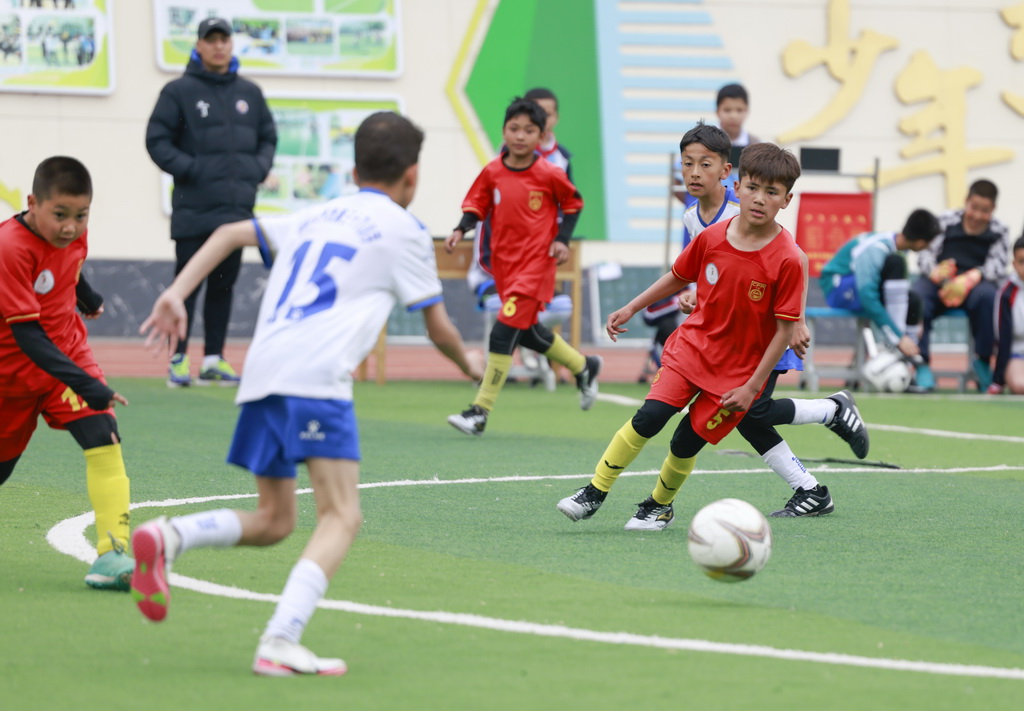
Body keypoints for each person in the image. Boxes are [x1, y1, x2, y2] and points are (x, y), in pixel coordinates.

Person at [131, 112, 483, 676]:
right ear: (412, 176)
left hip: (262, 374)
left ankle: (168, 536)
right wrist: (469, 362)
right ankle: (280, 639)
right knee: (342, 516)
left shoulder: (316, 214)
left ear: (353, 168)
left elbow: (227, 233)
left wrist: (176, 292)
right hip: (316, 381)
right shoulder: (404, 229)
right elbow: (438, 325)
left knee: (275, 521)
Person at [557, 143, 833, 530]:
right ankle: (594, 492)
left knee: (685, 441)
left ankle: (658, 505)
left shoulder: (788, 258)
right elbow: (678, 275)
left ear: (786, 200)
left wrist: (752, 387)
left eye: (772, 192)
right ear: (738, 186)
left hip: (738, 373)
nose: (760, 199)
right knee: (650, 416)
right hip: (692, 350)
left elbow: (784, 332)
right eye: (753, 188)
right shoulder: (712, 236)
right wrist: (632, 307)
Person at [671, 124, 865, 518]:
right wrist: (696, 295)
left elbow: (794, 261)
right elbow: (707, 270)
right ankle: (811, 489)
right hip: (729, 334)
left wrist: (798, 320)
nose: (694, 173)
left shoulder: (743, 207)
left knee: (751, 411)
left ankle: (831, 412)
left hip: (766, 331)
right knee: (748, 415)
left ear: (726, 173)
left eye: (704, 165)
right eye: (688, 164)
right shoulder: (694, 217)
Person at [0, 156, 133, 590]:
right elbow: (29, 338)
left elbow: (70, 266)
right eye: (60, 215)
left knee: (102, 433)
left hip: (66, 359)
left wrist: (87, 296)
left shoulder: (71, 230)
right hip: (11, 376)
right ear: (32, 203)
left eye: (81, 216)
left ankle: (113, 555)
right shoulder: (10, 248)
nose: (71, 227)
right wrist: (90, 385)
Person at [446, 97, 601, 436]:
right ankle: (584, 366)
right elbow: (476, 205)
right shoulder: (493, 172)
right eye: (513, 129)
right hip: (505, 268)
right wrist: (461, 229)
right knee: (528, 331)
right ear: (503, 131)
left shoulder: (548, 173)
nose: (519, 136)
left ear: (541, 134)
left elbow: (573, 204)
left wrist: (562, 238)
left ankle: (480, 410)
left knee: (503, 332)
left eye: (528, 130)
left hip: (535, 268)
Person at [146, 17, 277, 388]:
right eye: (211, 39)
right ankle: (178, 359)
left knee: (224, 286)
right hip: (194, 209)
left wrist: (257, 167)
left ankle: (214, 359)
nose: (219, 45)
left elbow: (268, 137)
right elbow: (157, 141)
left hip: (236, 212)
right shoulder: (178, 91)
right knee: (186, 286)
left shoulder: (249, 93)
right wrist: (192, 169)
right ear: (198, 46)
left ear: (231, 45)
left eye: (224, 39)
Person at [911, 180, 1011, 391]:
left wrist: (971, 278)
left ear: (993, 209)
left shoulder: (1000, 231)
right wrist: (941, 276)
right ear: (966, 202)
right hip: (940, 283)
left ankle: (983, 362)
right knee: (917, 296)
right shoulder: (946, 220)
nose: (977, 216)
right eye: (974, 208)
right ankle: (921, 362)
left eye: (985, 211)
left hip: (976, 288)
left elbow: (998, 265)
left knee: (989, 297)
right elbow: (925, 254)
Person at [821, 209, 942, 366]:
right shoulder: (878, 249)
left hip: (859, 286)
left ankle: (910, 361)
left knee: (914, 301)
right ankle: (897, 347)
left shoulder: (897, 248)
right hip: (837, 287)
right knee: (896, 264)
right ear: (921, 242)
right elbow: (867, 295)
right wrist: (897, 336)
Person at [990, 236, 1024, 394]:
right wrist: (998, 380)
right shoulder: (1007, 294)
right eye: (1022, 262)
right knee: (1020, 385)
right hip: (1018, 354)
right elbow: (1003, 339)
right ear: (1014, 264)